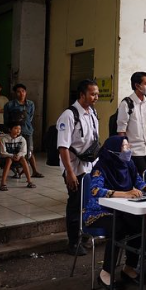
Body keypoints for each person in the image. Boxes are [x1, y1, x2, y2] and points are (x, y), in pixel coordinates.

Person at [84, 136, 146, 290]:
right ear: (113, 151)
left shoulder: (128, 163)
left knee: (139, 223)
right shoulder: (101, 167)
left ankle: (129, 267)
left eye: (127, 146)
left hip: (123, 209)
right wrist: (123, 194)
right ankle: (106, 273)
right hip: (99, 212)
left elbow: (137, 181)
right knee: (117, 227)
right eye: (124, 147)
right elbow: (95, 190)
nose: (128, 150)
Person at [57, 79, 100, 256]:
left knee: (89, 203)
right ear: (82, 95)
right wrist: (69, 173)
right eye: (92, 94)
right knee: (75, 205)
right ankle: (73, 242)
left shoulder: (92, 113)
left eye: (97, 94)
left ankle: (85, 237)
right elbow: (63, 146)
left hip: (91, 166)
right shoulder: (69, 115)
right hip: (75, 168)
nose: (96, 97)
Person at [3, 83, 44, 178]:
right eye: (18, 92)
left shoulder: (30, 104)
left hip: (27, 130)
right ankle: (17, 172)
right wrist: (9, 130)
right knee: (15, 151)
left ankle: (34, 171)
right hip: (14, 132)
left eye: (23, 91)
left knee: (29, 151)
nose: (21, 93)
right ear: (15, 93)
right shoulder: (9, 105)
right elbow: (6, 119)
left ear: (26, 92)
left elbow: (30, 117)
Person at [0, 122, 35, 191]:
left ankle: (29, 181)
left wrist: (18, 155)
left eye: (19, 129)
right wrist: (12, 155)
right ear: (10, 129)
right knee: (9, 159)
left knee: (23, 159)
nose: (18, 130)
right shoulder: (4, 139)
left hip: (17, 158)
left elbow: (24, 151)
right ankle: (3, 183)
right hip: (5, 159)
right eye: (15, 128)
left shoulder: (22, 139)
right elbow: (2, 153)